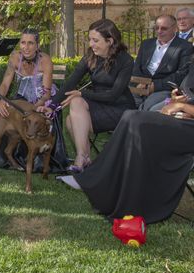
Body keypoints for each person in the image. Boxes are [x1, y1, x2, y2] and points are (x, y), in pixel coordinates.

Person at [67, 65, 194, 224]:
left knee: (136, 121)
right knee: (130, 117)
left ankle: (100, 182)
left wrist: (182, 106)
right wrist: (179, 100)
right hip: (183, 119)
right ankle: (107, 186)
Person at [38, 19, 136, 173]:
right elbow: (70, 83)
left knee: (73, 115)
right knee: (72, 116)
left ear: (110, 41)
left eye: (95, 40)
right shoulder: (91, 57)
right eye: (90, 39)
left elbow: (113, 95)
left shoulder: (126, 60)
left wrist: (83, 93)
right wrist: (51, 105)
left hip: (120, 109)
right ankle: (85, 159)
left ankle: (81, 158)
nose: (91, 44)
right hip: (99, 105)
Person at [0, 28, 69, 171]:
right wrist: (1, 100)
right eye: (22, 43)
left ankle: (40, 161)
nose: (26, 47)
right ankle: (9, 155)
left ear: (37, 45)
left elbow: (46, 94)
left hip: (42, 99)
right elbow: (4, 83)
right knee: (8, 111)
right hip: (23, 97)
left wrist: (35, 107)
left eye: (30, 43)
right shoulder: (14, 57)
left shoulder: (45, 60)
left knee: (39, 116)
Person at [132, 14, 192, 111]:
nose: (159, 31)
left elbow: (181, 74)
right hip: (141, 86)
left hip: (163, 89)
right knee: (123, 102)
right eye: (156, 28)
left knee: (147, 109)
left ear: (174, 29)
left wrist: (154, 86)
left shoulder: (184, 47)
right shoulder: (146, 44)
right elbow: (137, 67)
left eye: (164, 28)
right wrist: (141, 83)